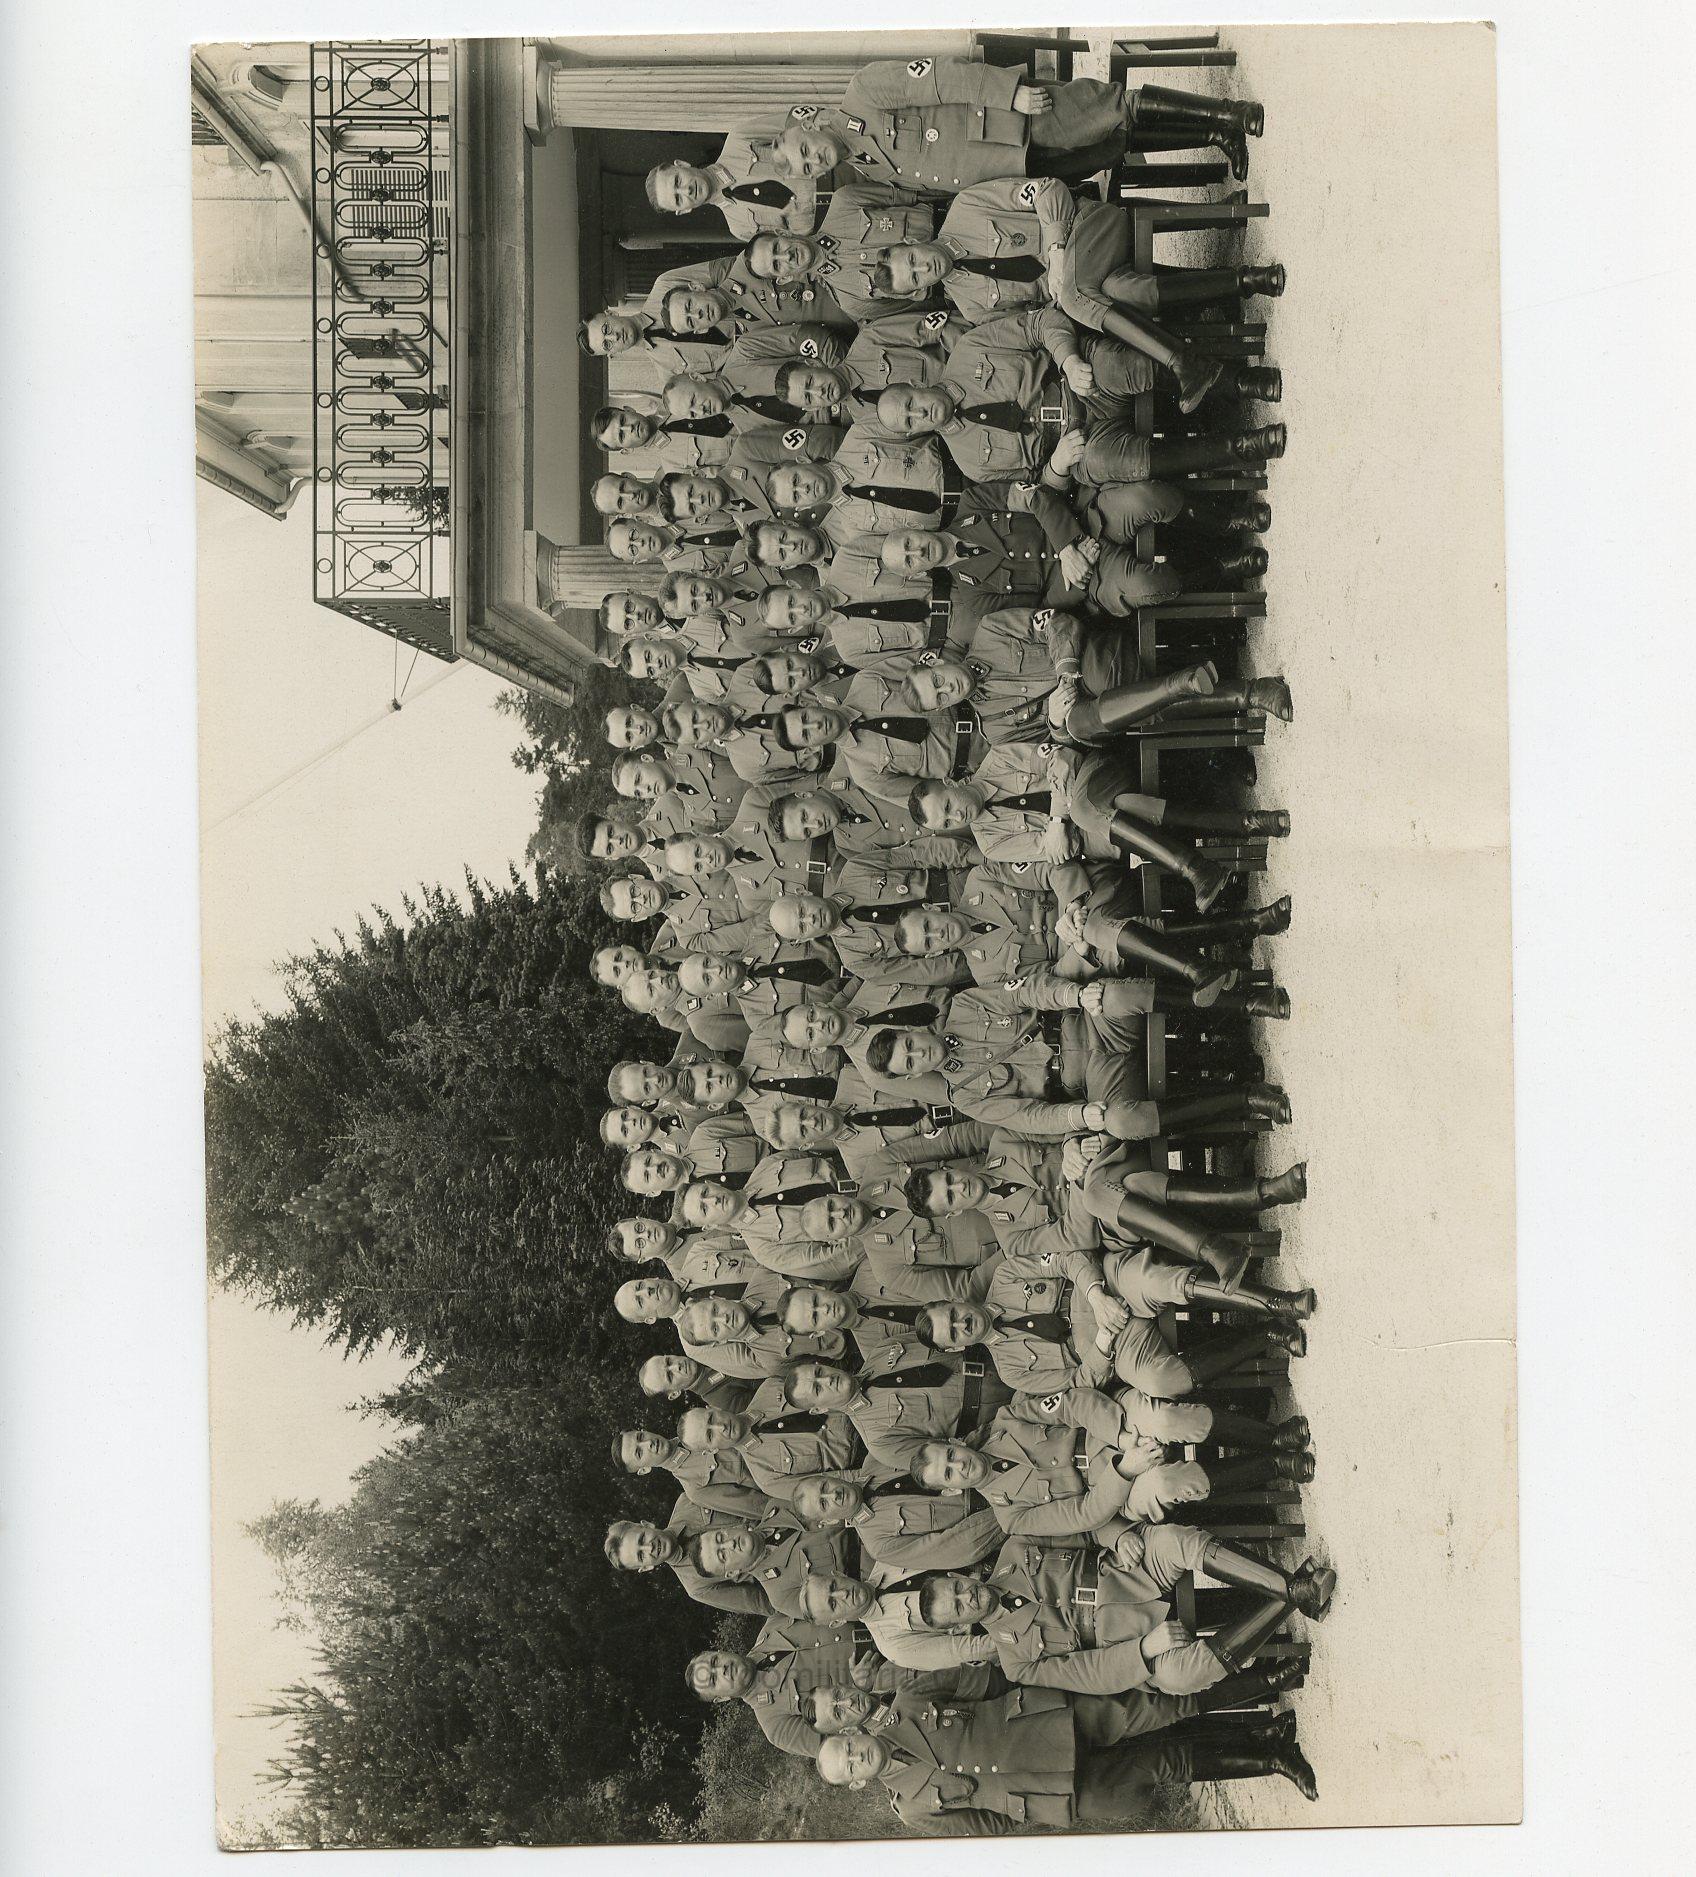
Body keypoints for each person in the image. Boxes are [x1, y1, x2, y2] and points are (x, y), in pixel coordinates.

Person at [816, 1686, 1318, 1828]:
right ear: (858, 1783)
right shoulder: (912, 1808)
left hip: (1041, 1725)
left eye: (849, 1746)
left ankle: (1265, 1703)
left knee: (1155, 1713)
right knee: (1164, 1766)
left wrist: (1021, 1703)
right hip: (1049, 1792)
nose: (858, 1755)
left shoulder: (907, 1701)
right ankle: (1272, 1758)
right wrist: (1024, 1810)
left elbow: (982, 1681)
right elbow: (986, 1832)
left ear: (854, 1730)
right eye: (851, 1765)